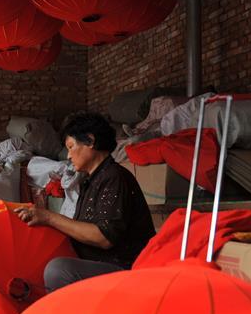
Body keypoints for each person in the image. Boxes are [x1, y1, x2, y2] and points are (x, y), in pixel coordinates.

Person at [13, 112, 156, 291]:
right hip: (99, 264)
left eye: (71, 147)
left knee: (58, 270)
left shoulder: (114, 177)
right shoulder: (91, 180)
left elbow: (104, 237)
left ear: (90, 141)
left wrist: (49, 218)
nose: (69, 155)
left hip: (125, 268)